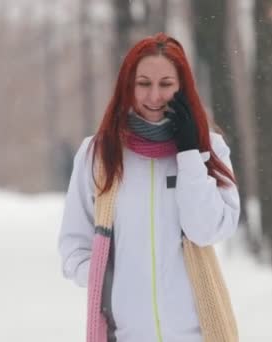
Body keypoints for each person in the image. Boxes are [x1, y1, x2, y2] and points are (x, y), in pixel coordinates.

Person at [58, 32, 240, 342]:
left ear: (182, 87)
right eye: (143, 83)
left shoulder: (211, 149)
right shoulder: (98, 155)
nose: (154, 96)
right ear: (128, 86)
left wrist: (189, 155)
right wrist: (110, 281)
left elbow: (206, 230)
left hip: (197, 334)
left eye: (166, 84)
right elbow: (74, 246)